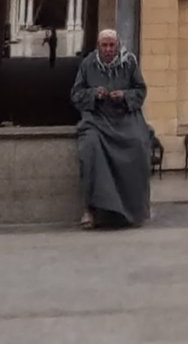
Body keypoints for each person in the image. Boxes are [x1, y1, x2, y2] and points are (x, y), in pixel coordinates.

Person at [70, 28, 150, 229]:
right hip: (97, 118)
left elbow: (140, 90)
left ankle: (133, 211)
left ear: (117, 46)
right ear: (98, 46)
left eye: (111, 45)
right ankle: (90, 209)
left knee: (139, 144)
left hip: (125, 117)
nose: (107, 49)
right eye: (104, 45)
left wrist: (124, 95)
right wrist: (94, 94)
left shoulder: (129, 63)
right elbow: (76, 94)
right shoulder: (88, 64)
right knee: (89, 149)